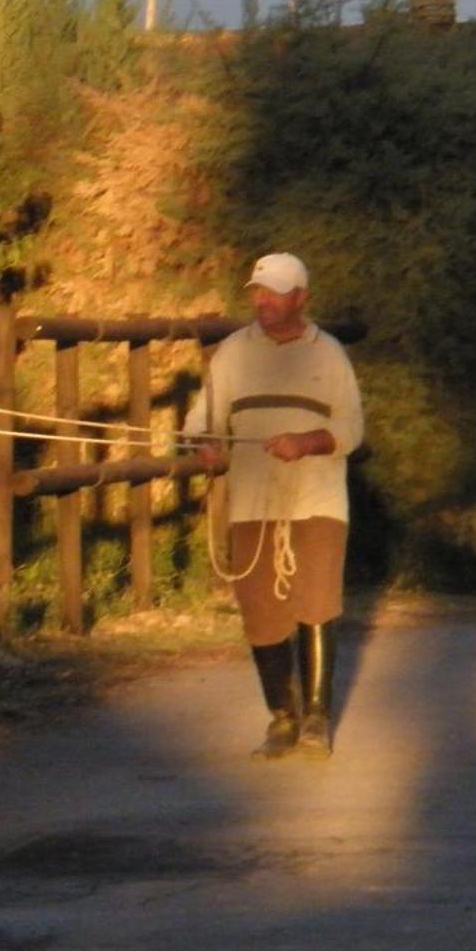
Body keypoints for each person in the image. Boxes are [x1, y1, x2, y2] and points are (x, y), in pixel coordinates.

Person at [185, 252, 364, 759]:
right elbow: (203, 416)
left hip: (316, 497)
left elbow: (351, 428)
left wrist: (308, 442)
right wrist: (204, 443)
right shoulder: (232, 353)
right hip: (251, 501)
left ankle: (315, 718)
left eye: (276, 291)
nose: (263, 300)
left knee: (317, 601)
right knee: (261, 613)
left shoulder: (327, 354)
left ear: (301, 298)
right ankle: (281, 717)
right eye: (258, 291)